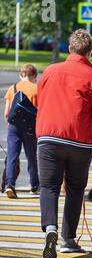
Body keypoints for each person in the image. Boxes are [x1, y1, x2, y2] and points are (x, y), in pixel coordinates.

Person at [37, 29, 92, 258]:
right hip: (80, 142)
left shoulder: (50, 70)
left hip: (49, 138)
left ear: (69, 48)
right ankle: (68, 240)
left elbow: (41, 99)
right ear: (89, 52)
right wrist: (89, 126)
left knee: (49, 187)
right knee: (75, 188)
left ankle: (50, 231)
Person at [3, 64, 40, 198]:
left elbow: (7, 113)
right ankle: (34, 185)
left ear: (21, 75)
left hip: (14, 127)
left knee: (12, 156)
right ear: (34, 76)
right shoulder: (37, 89)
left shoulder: (12, 89)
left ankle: (10, 185)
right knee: (32, 156)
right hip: (30, 128)